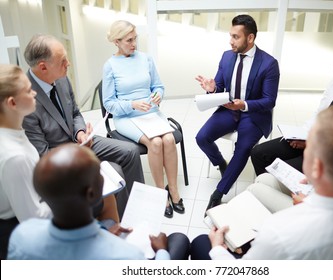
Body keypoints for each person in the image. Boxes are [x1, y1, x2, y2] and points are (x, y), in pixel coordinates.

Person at [191, 107, 333, 260]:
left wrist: (217, 248)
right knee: (262, 181)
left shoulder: (279, 231)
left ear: (316, 167)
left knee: (200, 243)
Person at [22, 34, 144, 218]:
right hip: (61, 158)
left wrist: (80, 132)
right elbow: (43, 155)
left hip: (81, 141)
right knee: (114, 171)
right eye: (63, 61)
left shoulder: (61, 78)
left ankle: (137, 207)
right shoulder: (25, 98)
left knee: (131, 151)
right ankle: (121, 219)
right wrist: (78, 150)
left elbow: (75, 112)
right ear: (43, 67)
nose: (68, 64)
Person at [7, 143, 190, 260]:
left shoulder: (21, 236)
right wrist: (162, 252)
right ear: (93, 194)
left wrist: (104, 231)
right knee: (179, 239)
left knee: (110, 222)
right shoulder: (127, 256)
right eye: (99, 176)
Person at [247, 68, 333, 213]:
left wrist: (307, 202)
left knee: (255, 189)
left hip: (321, 210)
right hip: (323, 189)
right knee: (265, 179)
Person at [250, 33, 333, 176]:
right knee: (258, 153)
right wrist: (301, 135)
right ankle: (267, 187)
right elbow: (320, 113)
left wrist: (311, 143)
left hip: (328, 153)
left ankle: (285, 189)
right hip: (310, 139)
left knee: (278, 171)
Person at [195, 14, 280, 215]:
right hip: (228, 109)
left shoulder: (269, 64)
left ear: (250, 38)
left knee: (242, 149)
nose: (231, 41)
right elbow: (220, 88)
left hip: (253, 113)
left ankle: (218, 194)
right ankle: (220, 163)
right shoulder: (226, 56)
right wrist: (212, 88)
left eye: (236, 37)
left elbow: (269, 101)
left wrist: (244, 105)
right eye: (230, 36)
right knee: (201, 137)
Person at [102, 20, 184, 218]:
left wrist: (158, 95)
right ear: (117, 41)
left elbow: (159, 86)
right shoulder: (110, 66)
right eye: (129, 40)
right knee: (155, 143)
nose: (134, 44)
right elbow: (109, 104)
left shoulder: (146, 59)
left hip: (151, 113)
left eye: (135, 39)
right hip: (126, 116)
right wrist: (132, 105)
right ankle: (160, 193)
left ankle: (173, 190)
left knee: (169, 139)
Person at [0, 64, 49, 259]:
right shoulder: (14, 157)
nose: (35, 93)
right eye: (28, 91)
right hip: (16, 231)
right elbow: (32, 219)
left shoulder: (13, 132)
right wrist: (69, 196)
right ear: (12, 103)